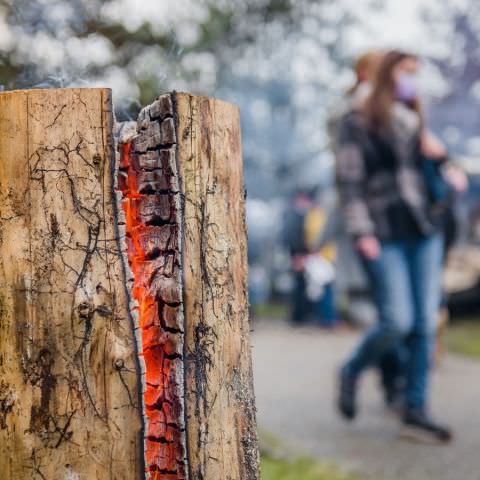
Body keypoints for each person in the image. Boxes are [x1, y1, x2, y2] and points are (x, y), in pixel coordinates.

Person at [335, 50, 465, 442]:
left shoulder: (415, 120)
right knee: (398, 320)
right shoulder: (357, 120)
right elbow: (350, 182)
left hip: (424, 229)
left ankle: (415, 408)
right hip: (383, 230)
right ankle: (353, 369)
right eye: (407, 72)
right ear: (388, 74)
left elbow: (426, 173)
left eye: (416, 73)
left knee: (425, 323)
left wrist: (446, 161)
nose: (413, 80)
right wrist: (363, 233)